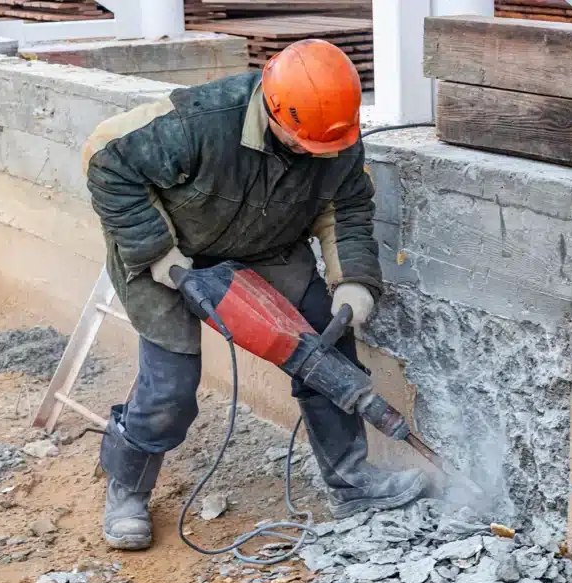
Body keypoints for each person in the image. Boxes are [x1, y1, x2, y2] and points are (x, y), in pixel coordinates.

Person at [82, 39, 426, 550]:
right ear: (274, 109)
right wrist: (156, 252)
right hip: (170, 251)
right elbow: (105, 158)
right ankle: (128, 487)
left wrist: (352, 279)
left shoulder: (334, 135)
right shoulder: (200, 120)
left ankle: (352, 481)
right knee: (171, 385)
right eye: (306, 144)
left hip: (267, 243)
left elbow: (347, 208)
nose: (320, 155)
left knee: (327, 351)